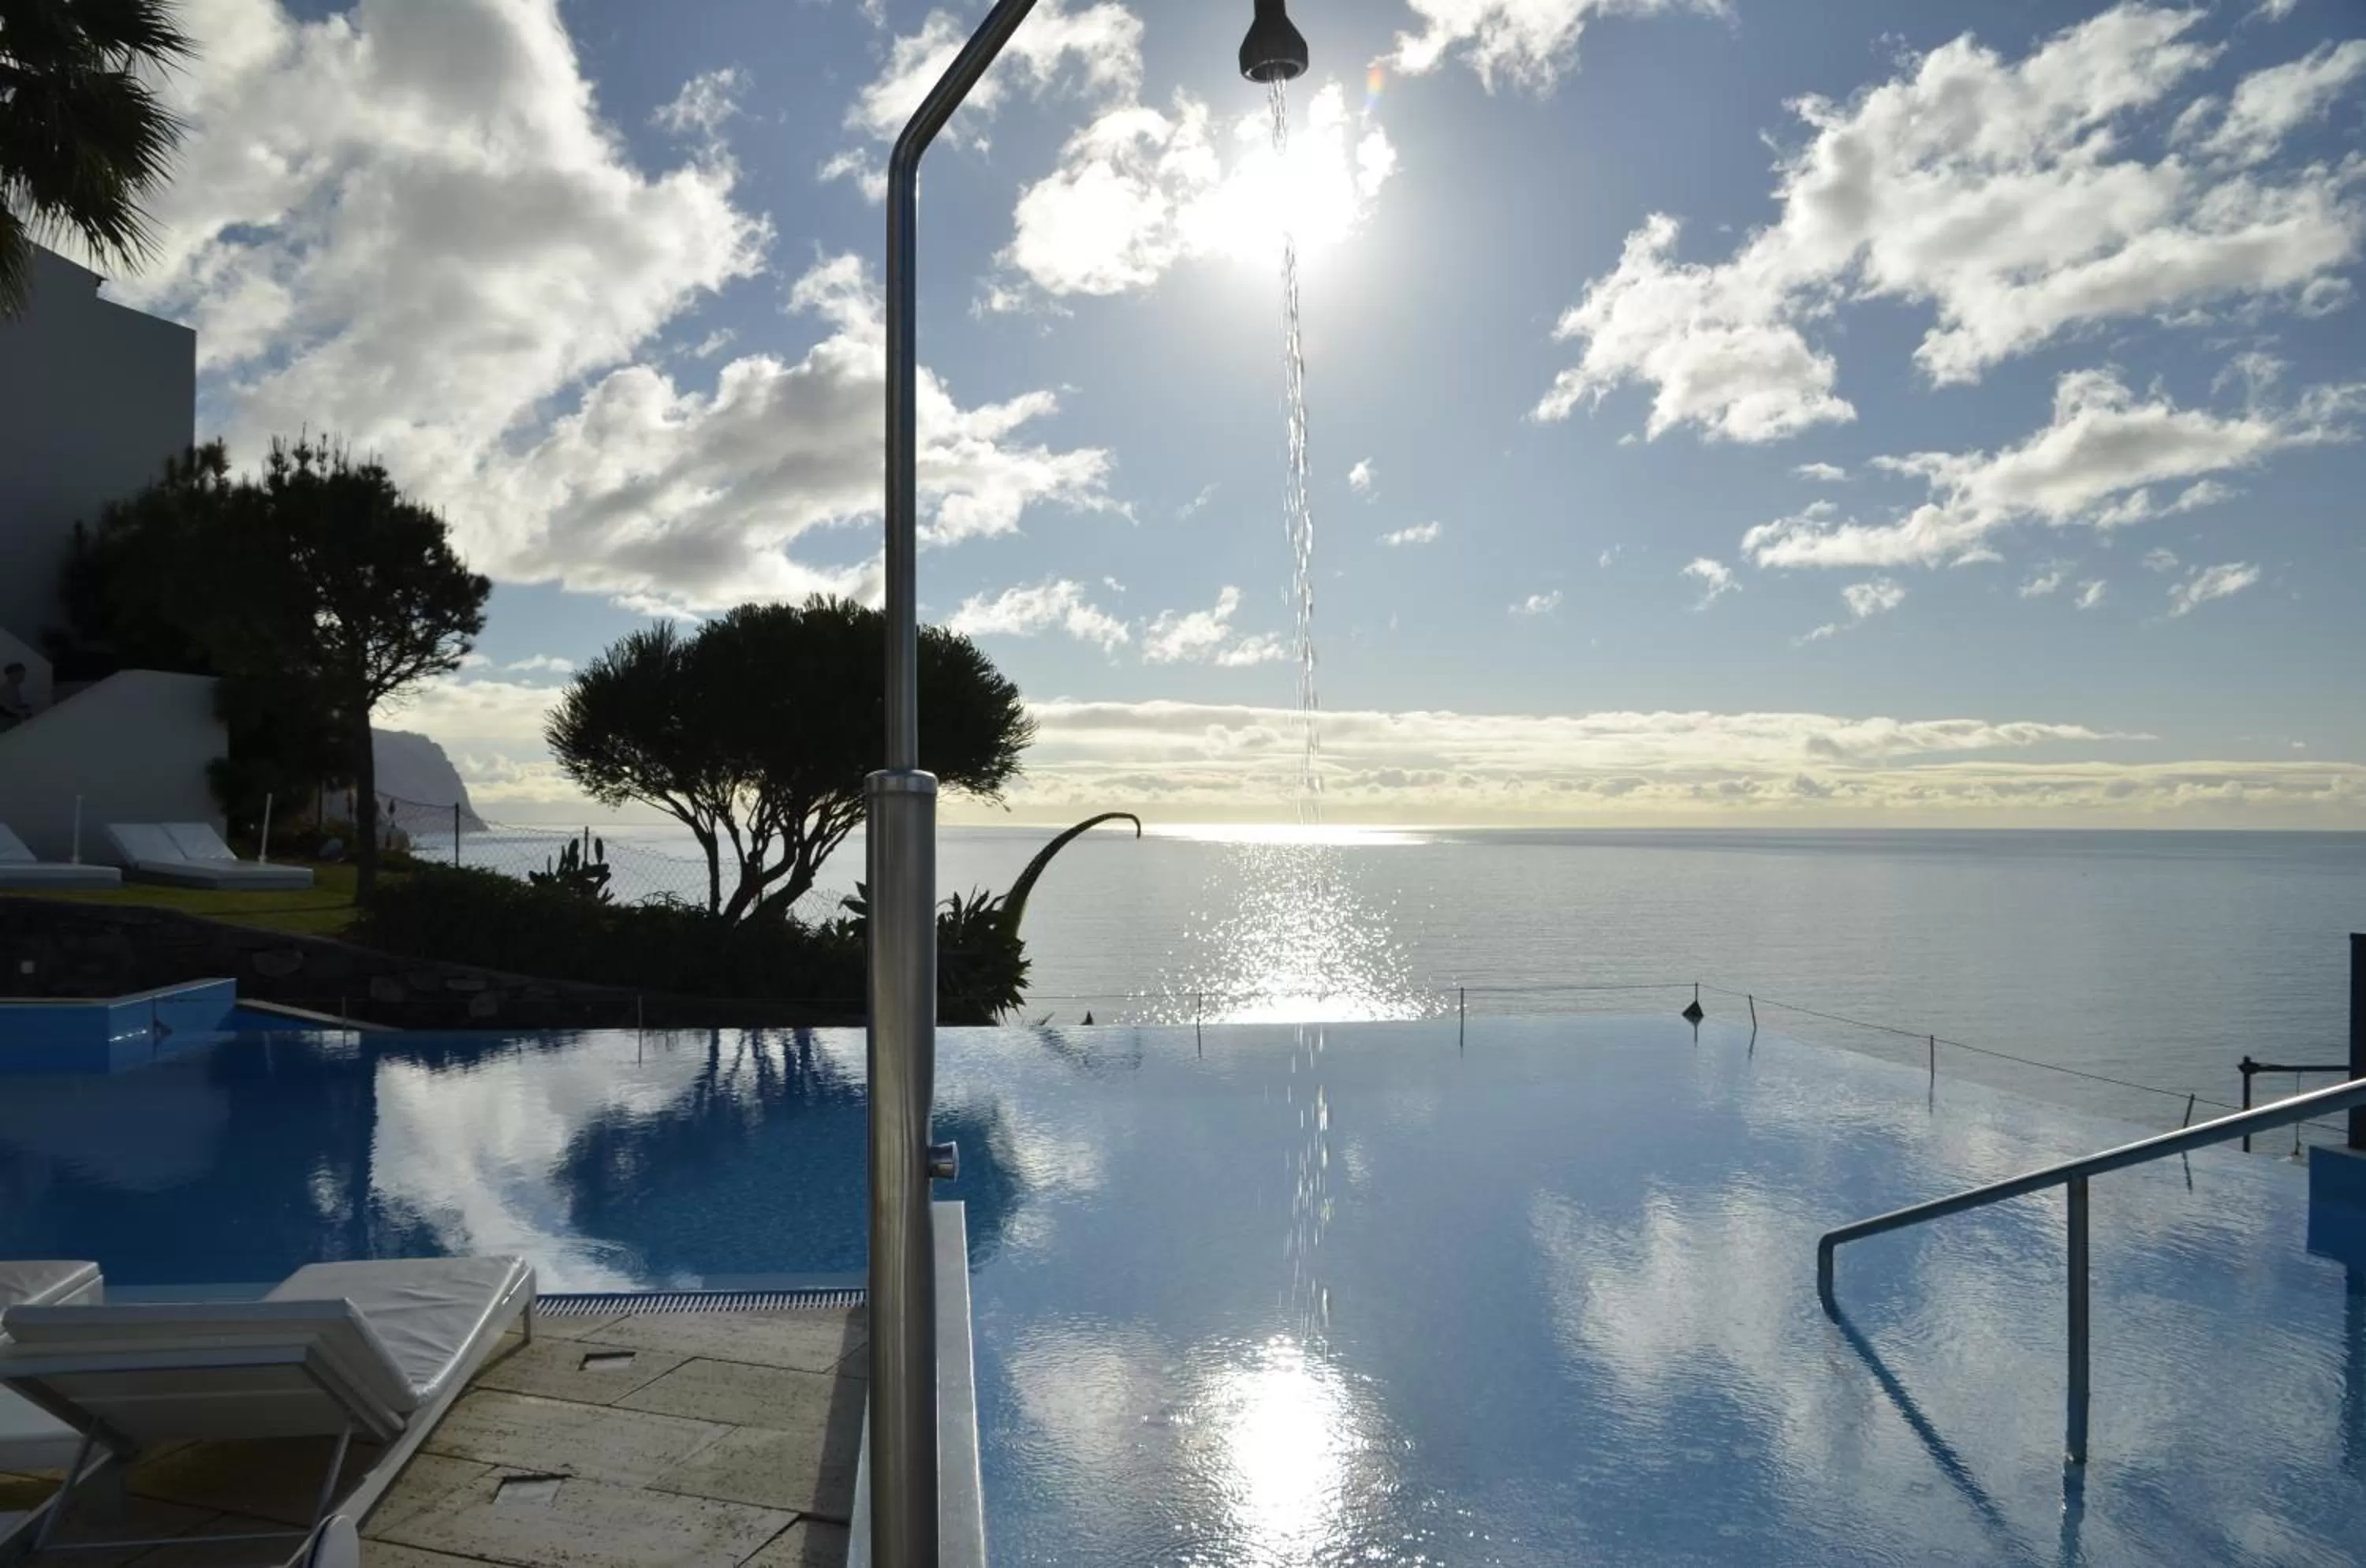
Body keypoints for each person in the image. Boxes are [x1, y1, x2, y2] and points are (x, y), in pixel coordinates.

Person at [0, 663, 32, 732]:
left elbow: (13, 705)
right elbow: (5, 710)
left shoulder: (13, 687)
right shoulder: (6, 689)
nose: (23, 679)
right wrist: (23, 713)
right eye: (20, 676)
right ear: (12, 675)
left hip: (12, 723)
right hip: (7, 726)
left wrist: (23, 707)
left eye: (23, 676)